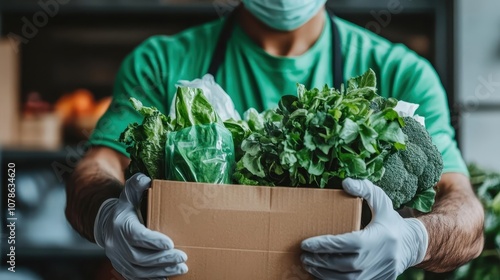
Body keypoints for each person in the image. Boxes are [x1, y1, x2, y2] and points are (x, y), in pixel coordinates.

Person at [65, 1, 484, 279]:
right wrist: (107, 218)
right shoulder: (162, 62)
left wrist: (416, 240)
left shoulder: (401, 72)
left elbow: (464, 213)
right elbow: (97, 165)